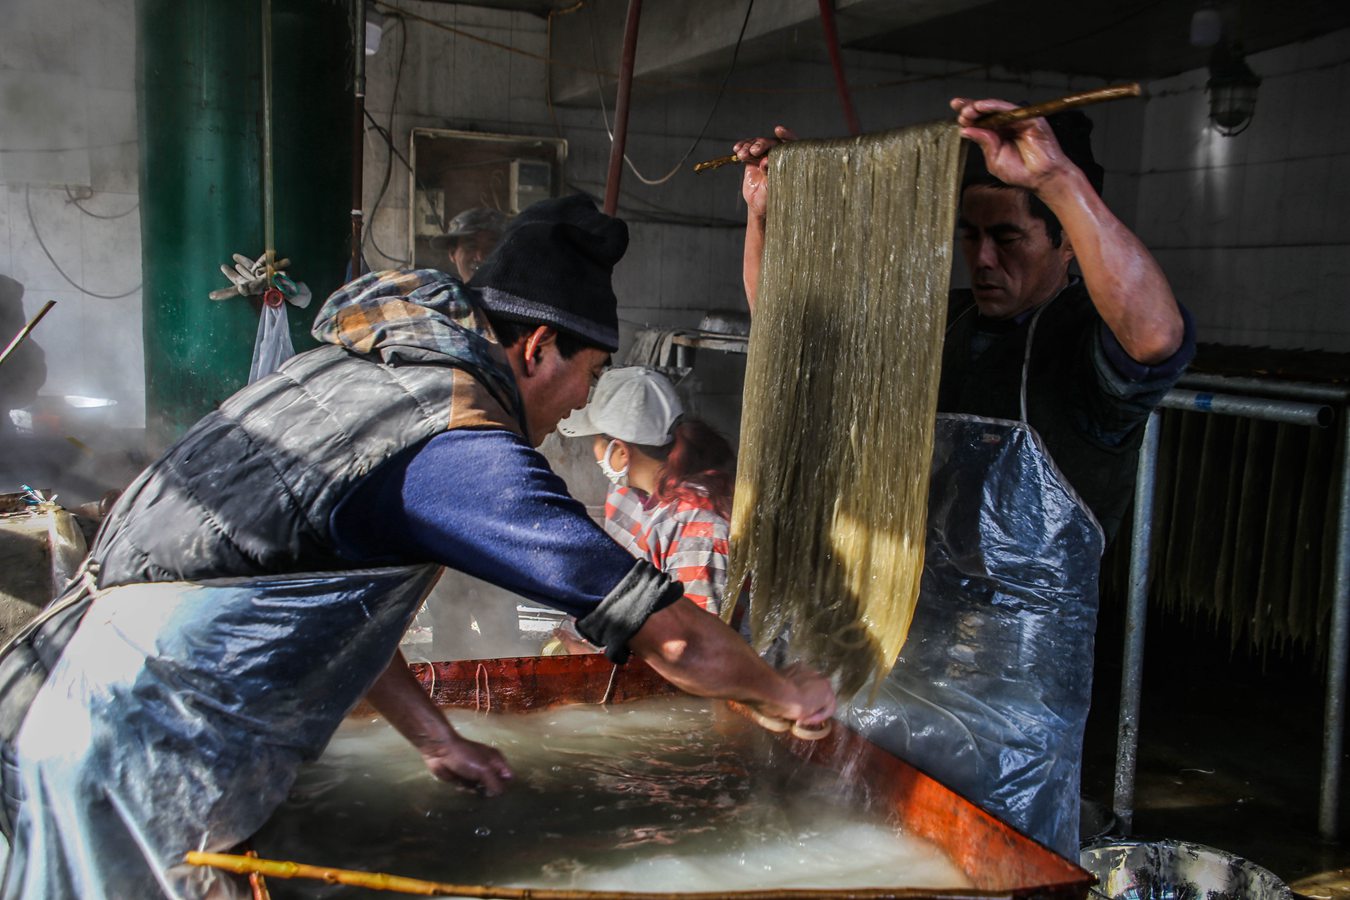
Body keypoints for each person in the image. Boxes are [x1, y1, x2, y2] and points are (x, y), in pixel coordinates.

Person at [0, 195, 835, 899]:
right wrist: (782, 692)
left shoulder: (356, 374)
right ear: (538, 349)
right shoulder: (455, 440)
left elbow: (323, 611)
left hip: (79, 708)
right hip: (140, 748)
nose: (581, 404)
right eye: (589, 373)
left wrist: (435, 738)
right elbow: (671, 633)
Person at [734, 98, 1194, 540]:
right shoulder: (940, 320)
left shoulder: (1086, 340)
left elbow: (1155, 337)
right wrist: (768, 216)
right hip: (912, 599)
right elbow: (784, 330)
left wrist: (1057, 180)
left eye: (1008, 238)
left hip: (1027, 618)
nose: (983, 259)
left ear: (1068, 240)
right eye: (970, 236)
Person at [559, 366, 735, 616]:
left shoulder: (700, 529)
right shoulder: (624, 493)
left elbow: (697, 640)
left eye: (595, 441)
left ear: (620, 452)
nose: (593, 450)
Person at [432, 206, 508, 282]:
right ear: (452, 254)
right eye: (471, 247)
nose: (480, 258)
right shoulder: (443, 292)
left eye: (491, 248)